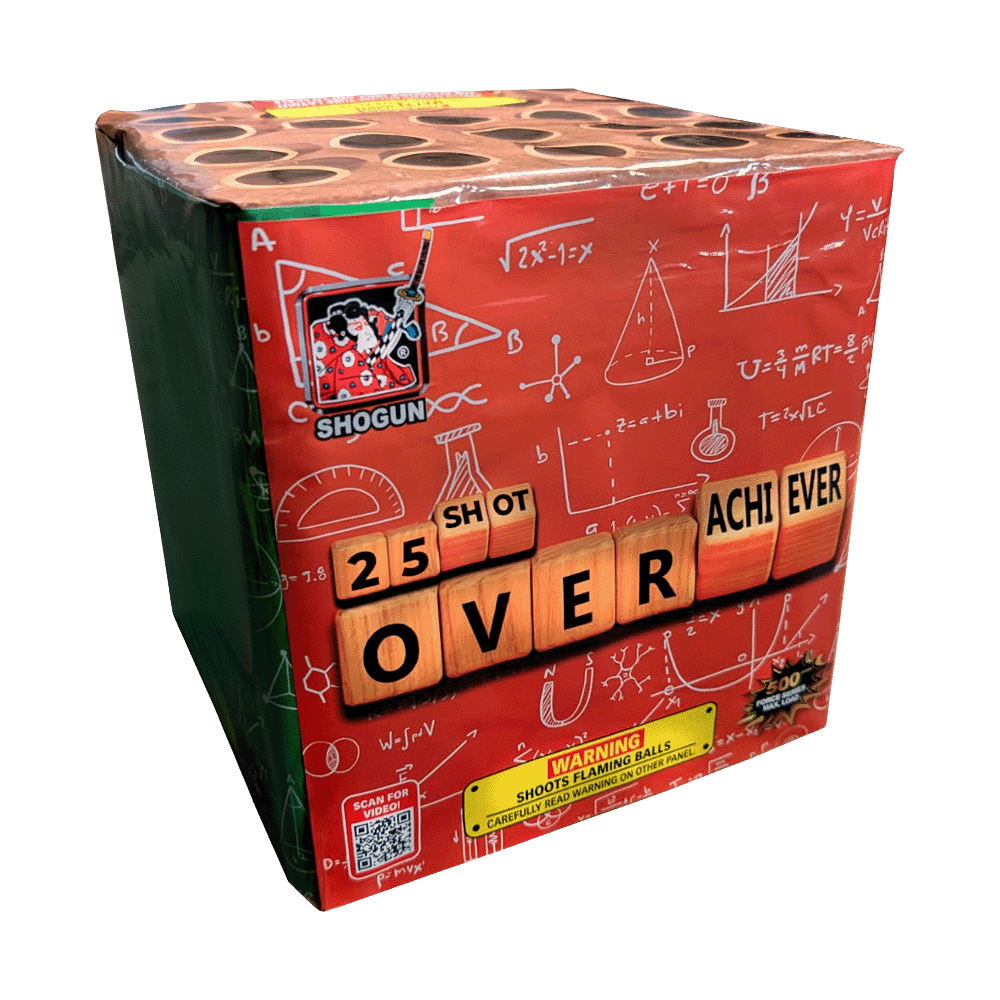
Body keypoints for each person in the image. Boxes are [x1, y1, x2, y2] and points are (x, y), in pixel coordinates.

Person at [310, 297, 420, 404]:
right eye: (359, 327)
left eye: (366, 324)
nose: (367, 331)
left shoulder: (378, 347)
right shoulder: (345, 361)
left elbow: (393, 327)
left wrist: (402, 322)